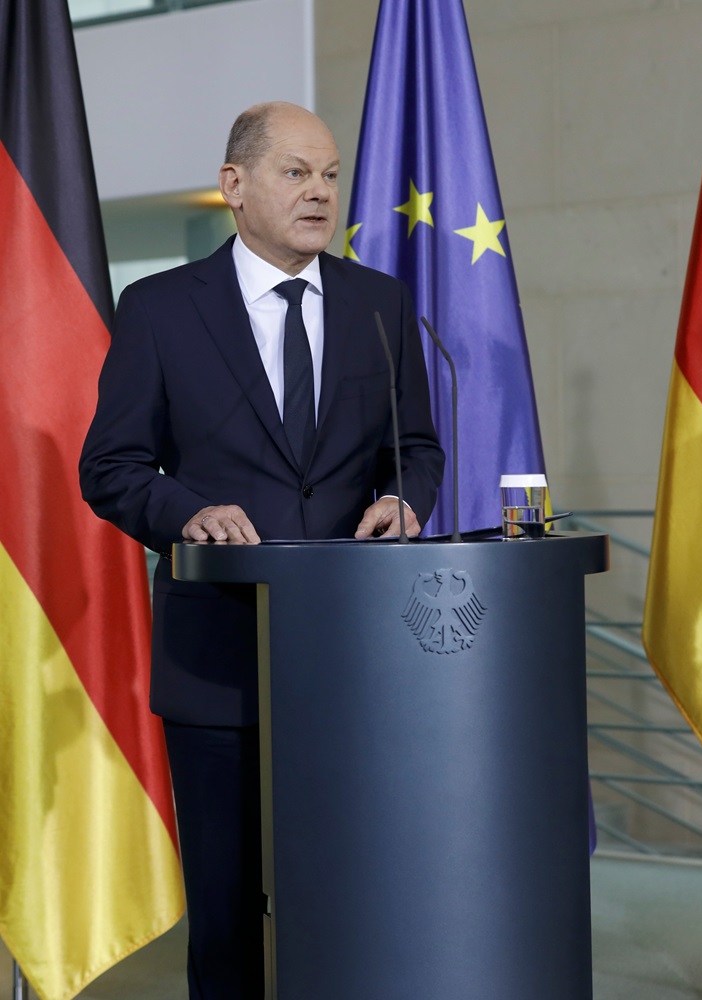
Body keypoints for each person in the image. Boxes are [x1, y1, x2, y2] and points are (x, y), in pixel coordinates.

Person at [80, 101, 444, 999]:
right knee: (231, 908)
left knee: (348, 898)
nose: (319, 192)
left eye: (328, 175)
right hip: (219, 657)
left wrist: (406, 499)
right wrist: (185, 512)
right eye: (295, 173)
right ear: (235, 186)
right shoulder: (160, 308)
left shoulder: (378, 303)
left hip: (353, 656)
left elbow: (420, 447)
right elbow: (112, 465)